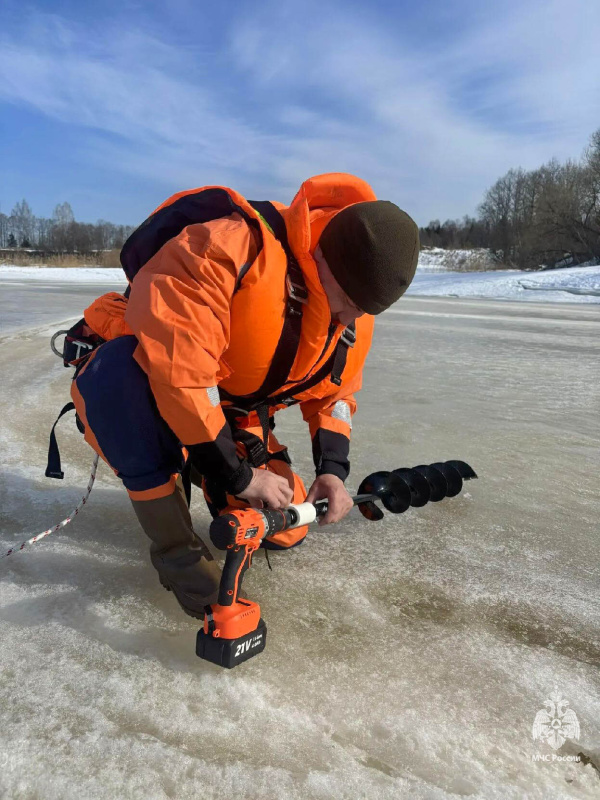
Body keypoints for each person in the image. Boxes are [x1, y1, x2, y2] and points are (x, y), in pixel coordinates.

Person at [70, 172, 419, 618]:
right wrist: (240, 477)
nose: (351, 316)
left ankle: (213, 477)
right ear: (323, 257)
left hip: (230, 408)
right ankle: (178, 552)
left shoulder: (352, 310)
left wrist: (332, 469)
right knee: (117, 379)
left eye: (364, 310)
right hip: (143, 387)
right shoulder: (223, 249)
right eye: (348, 299)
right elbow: (181, 374)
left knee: (285, 527)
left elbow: (337, 393)